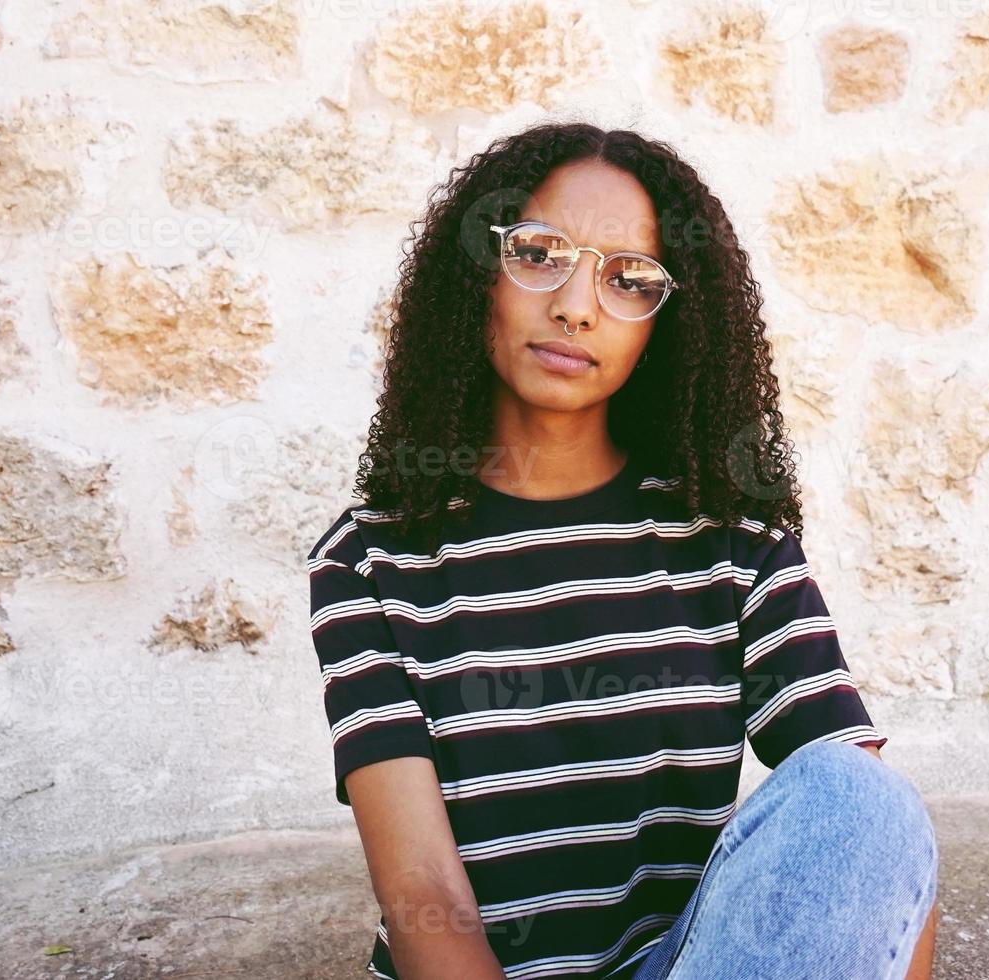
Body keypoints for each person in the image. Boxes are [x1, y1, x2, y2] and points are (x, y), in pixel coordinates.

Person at [306, 121, 939, 980]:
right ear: (477, 279)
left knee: (862, 799)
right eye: (537, 254)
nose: (575, 304)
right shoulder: (371, 564)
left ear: (664, 327)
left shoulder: (735, 545)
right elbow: (425, 898)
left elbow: (866, 851)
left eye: (629, 279)